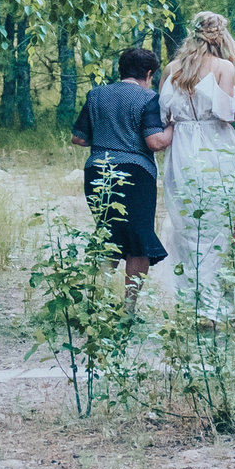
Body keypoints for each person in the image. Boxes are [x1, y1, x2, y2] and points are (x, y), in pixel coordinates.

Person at [155, 11, 235, 323]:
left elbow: (163, 115)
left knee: (187, 225)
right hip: (215, 146)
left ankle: (196, 303)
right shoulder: (224, 67)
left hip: (181, 148)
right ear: (220, 36)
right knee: (219, 223)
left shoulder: (171, 68)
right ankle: (216, 306)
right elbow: (224, 113)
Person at [68, 47, 175, 306]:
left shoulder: (96, 95)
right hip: (134, 175)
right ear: (149, 73)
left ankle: (97, 300)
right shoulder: (148, 98)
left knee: (108, 233)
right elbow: (155, 141)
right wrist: (173, 126)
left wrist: (106, 136)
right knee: (139, 238)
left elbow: (78, 138)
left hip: (97, 171)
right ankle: (129, 305)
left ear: (121, 69)